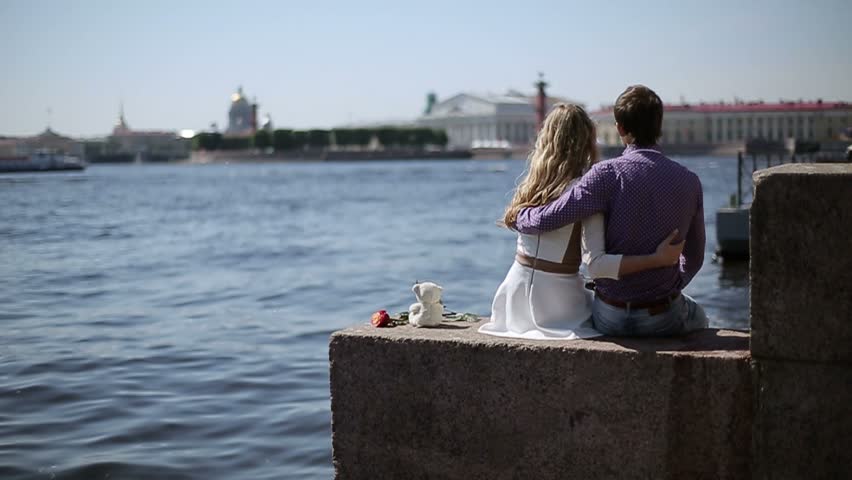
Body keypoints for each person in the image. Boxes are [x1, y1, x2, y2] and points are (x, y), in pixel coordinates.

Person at [513, 86, 708, 337]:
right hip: (663, 315)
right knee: (700, 316)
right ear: (659, 125)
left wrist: (520, 215)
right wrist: (671, 285)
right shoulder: (689, 181)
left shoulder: (605, 175)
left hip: (609, 316)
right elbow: (695, 257)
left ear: (620, 129)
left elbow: (549, 218)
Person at [479, 103, 684, 340]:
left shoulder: (531, 187)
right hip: (558, 303)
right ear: (587, 142)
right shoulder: (585, 191)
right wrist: (656, 259)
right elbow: (597, 265)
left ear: (546, 141)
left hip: (512, 300)